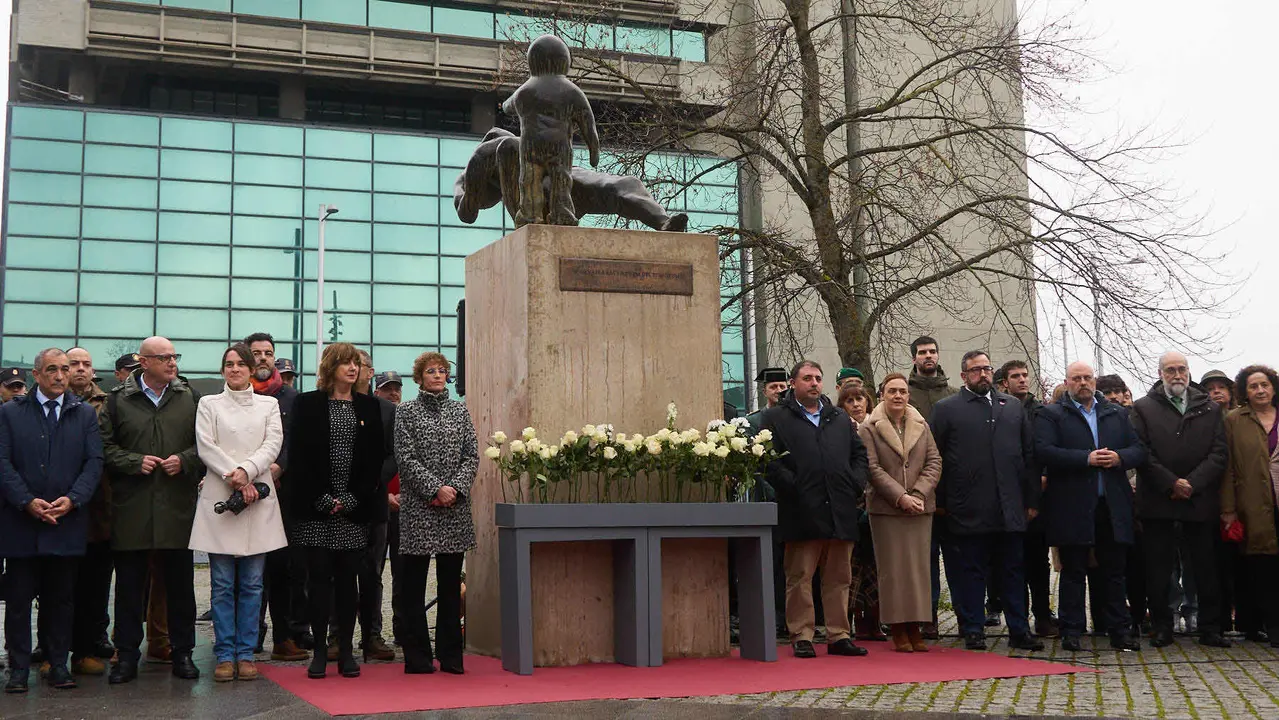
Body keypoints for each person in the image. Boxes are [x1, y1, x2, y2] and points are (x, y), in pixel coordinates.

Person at [0, 348, 103, 692]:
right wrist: (26, 501)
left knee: (61, 599)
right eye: (52, 370)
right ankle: (17, 669)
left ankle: (58, 664)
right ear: (37, 375)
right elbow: (3, 463)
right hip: (21, 524)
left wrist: (72, 500)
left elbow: (94, 463)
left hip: (65, 522)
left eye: (64, 369)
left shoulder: (84, 414)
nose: (60, 376)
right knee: (18, 602)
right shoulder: (11, 414)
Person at [100, 337, 202, 684]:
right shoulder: (116, 401)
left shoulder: (189, 397)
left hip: (176, 506)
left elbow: (204, 445)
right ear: (144, 363)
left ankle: (183, 653)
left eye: (174, 356)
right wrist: (133, 461)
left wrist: (185, 460)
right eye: (164, 358)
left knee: (180, 588)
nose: (172, 363)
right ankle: (126, 657)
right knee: (129, 589)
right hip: (133, 508)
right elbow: (102, 448)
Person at [930, 350, 1042, 651]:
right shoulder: (946, 409)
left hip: (1009, 506)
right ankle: (973, 628)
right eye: (975, 370)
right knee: (971, 572)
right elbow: (935, 459)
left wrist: (1032, 500)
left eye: (987, 369)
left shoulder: (1012, 407)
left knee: (1013, 571)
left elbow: (1028, 456)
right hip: (966, 507)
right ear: (964, 376)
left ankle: (1019, 629)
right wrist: (941, 502)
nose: (983, 374)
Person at [287, 342, 385, 679]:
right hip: (317, 509)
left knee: (349, 584)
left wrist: (355, 498)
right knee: (318, 582)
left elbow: (374, 461)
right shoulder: (307, 404)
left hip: (353, 511)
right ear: (331, 367)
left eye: (355, 363)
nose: (352, 369)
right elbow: (299, 457)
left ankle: (346, 650)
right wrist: (324, 499)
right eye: (345, 363)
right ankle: (318, 652)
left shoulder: (369, 406)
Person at [190, 344, 287, 682]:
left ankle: (246, 654)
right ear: (223, 370)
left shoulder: (269, 404)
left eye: (239, 364)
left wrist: (248, 470)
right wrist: (235, 475)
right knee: (221, 584)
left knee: (252, 583)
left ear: (249, 369)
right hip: (221, 495)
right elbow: (206, 445)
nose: (234, 369)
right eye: (228, 364)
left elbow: (272, 444)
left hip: (257, 497)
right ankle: (224, 654)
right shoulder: (208, 403)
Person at [762, 360, 870, 659]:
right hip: (801, 510)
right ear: (794, 383)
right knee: (800, 576)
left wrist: (855, 484)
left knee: (839, 577)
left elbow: (859, 454)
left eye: (818, 378)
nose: (814, 383)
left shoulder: (837, 417)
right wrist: (792, 486)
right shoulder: (776, 418)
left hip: (839, 508)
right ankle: (802, 635)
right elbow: (768, 459)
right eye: (807, 378)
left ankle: (839, 635)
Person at [1036, 361, 1146, 652]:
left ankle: (1119, 631)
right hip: (1071, 504)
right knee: (1073, 570)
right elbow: (1045, 451)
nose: (1083, 382)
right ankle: (1071, 631)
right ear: (1067, 382)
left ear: (1094, 381)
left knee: (1113, 571)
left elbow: (1139, 450)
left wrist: (1119, 458)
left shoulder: (1116, 413)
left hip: (1110, 505)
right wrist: (1086, 458)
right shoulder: (1052, 414)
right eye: (1076, 378)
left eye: (1087, 377)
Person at [1128, 351, 1231, 649]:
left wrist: (1192, 484)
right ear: (1160, 373)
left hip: (1198, 501)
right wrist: (1171, 483)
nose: (1177, 375)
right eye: (1170, 369)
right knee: (1159, 569)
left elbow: (1219, 452)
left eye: (1182, 369)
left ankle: (1210, 628)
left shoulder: (1208, 408)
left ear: (1188, 372)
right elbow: (1141, 452)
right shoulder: (1144, 408)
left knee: (1205, 567)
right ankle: (1162, 627)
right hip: (1159, 500)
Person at [394, 352, 478, 674]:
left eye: (443, 371)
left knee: (448, 585)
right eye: (431, 371)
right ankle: (418, 657)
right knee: (413, 586)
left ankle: (450, 655)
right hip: (420, 510)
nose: (439, 375)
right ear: (419, 377)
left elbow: (471, 455)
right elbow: (406, 458)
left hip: (453, 510)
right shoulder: (406, 413)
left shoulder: (460, 411)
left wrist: (454, 488)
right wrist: (434, 489)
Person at [858, 373, 941, 653]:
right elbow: (872, 469)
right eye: (892, 391)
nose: (898, 396)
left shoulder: (921, 424)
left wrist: (917, 494)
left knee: (918, 570)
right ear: (882, 394)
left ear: (908, 395)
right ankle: (897, 628)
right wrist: (900, 497)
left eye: (902, 391)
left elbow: (934, 461)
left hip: (920, 508)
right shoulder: (869, 427)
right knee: (893, 570)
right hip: (886, 510)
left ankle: (916, 626)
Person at [243, 333, 309, 662]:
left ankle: (285, 637)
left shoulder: (294, 399)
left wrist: (279, 468)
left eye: (268, 353)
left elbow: (298, 443)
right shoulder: (235, 397)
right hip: (246, 492)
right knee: (250, 568)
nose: (263, 359)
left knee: (284, 569)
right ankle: (250, 634)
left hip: (283, 495)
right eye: (256, 353)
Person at [64, 348, 116, 675]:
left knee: (96, 582)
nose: (80, 369)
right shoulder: (50, 403)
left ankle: (92, 640)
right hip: (61, 507)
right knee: (59, 584)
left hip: (101, 509)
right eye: (74, 364)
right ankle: (54, 643)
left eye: (86, 364)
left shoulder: (109, 404)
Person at [999, 359, 1060, 638]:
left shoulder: (1042, 412)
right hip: (1008, 495)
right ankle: (1018, 619)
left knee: (1038, 562)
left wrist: (1044, 479)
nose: (1022, 380)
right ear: (1004, 383)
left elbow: (1048, 449)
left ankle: (1043, 616)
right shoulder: (998, 411)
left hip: (1039, 495)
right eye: (1015, 376)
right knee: (1012, 562)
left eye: (1025, 375)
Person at [1220, 365, 1279, 649]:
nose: (1260, 390)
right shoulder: (1234, 420)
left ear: (1273, 387)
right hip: (1252, 503)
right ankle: (1269, 626)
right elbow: (1228, 467)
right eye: (1253, 386)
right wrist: (1228, 508)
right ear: (1245, 391)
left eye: (1264, 384)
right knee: (1262, 565)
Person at [906, 335, 956, 639]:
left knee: (955, 558)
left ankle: (968, 618)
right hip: (915, 488)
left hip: (950, 488)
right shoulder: (904, 394)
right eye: (923, 352)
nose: (928, 356)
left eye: (933, 351)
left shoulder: (952, 395)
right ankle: (927, 617)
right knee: (924, 560)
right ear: (914, 358)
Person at [837, 383, 883, 642]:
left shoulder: (877, 427)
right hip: (850, 505)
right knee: (850, 569)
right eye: (849, 401)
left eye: (860, 399)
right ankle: (848, 621)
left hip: (876, 502)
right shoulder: (838, 430)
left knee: (875, 568)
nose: (856, 404)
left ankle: (873, 621)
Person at [746, 367, 789, 435]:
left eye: (782, 387)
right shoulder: (753, 420)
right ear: (764, 392)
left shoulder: (796, 417)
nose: (779, 390)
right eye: (773, 387)